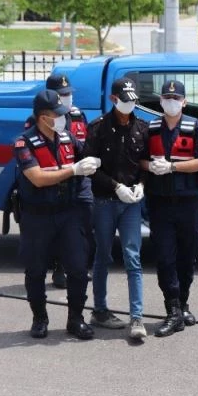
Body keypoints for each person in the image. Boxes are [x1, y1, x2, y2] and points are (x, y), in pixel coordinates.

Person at [14, 89, 100, 340]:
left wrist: (95, 162)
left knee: (77, 267)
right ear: (43, 117)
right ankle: (39, 318)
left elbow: (88, 154)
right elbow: (38, 178)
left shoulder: (67, 138)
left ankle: (76, 319)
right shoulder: (24, 143)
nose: (63, 118)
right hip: (37, 216)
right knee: (36, 270)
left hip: (69, 213)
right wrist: (73, 170)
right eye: (57, 114)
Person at [141, 80, 198, 337]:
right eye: (166, 98)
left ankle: (182, 304)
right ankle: (172, 311)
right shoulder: (151, 128)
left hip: (189, 203)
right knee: (165, 258)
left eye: (176, 98)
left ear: (184, 102)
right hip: (160, 203)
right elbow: (140, 159)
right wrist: (151, 167)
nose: (171, 102)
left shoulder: (195, 127)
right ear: (160, 101)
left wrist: (172, 166)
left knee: (188, 256)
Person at [84, 78, 149, 339]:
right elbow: (90, 168)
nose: (129, 106)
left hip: (131, 203)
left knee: (133, 257)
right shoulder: (98, 128)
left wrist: (142, 185)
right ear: (113, 100)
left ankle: (137, 317)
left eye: (132, 102)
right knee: (102, 255)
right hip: (104, 201)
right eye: (124, 101)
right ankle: (99, 310)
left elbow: (144, 164)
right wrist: (114, 187)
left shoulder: (142, 128)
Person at [24, 73, 91, 289]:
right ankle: (58, 269)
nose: (68, 97)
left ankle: (75, 266)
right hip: (52, 185)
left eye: (69, 93)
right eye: (63, 94)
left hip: (79, 183)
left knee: (82, 227)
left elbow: (85, 147)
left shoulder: (79, 116)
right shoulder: (37, 121)